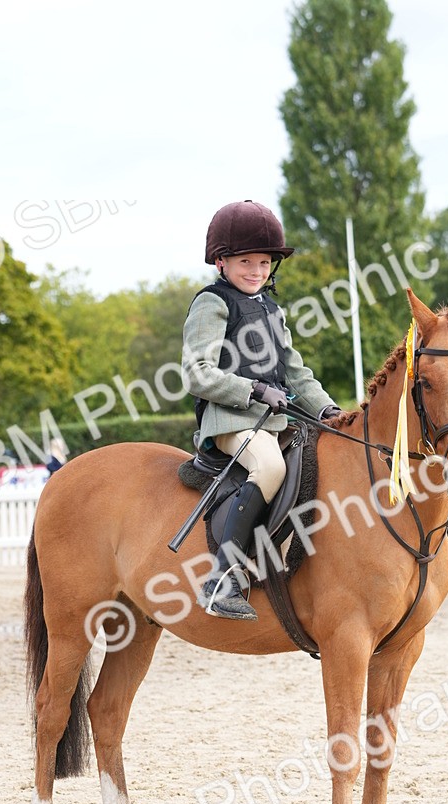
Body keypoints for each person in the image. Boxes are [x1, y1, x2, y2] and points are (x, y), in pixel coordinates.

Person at [182, 199, 340, 621]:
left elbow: (295, 371)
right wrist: (252, 389)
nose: (256, 271)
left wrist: (327, 410)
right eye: (246, 261)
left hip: (274, 421)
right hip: (230, 420)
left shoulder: (272, 309)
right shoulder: (212, 304)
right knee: (269, 467)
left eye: (265, 262)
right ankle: (223, 578)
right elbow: (197, 373)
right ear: (221, 262)